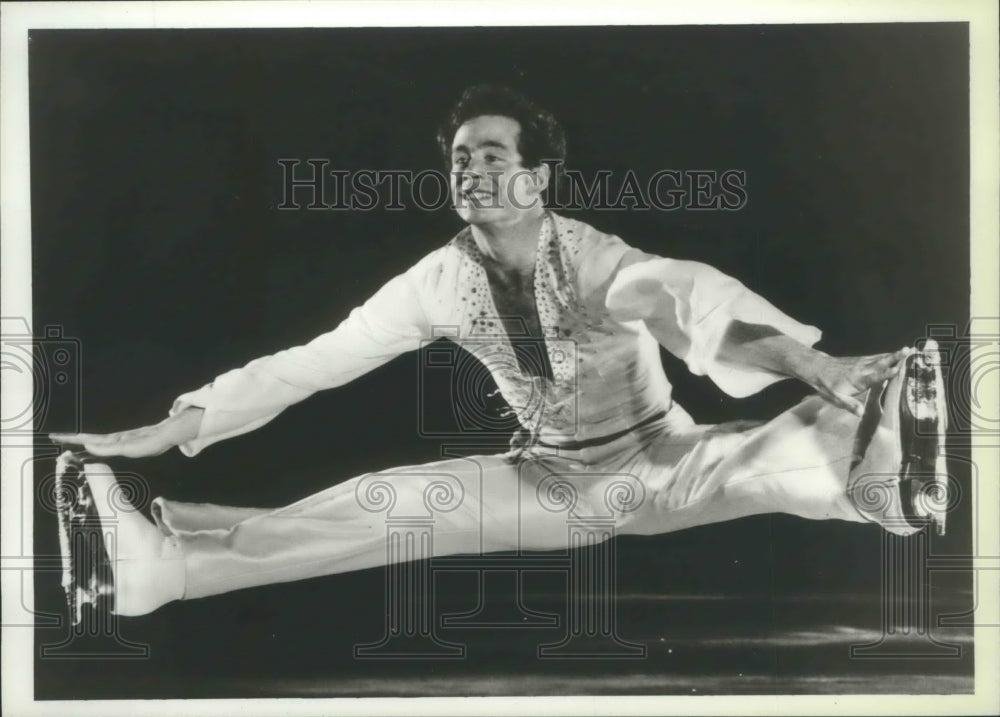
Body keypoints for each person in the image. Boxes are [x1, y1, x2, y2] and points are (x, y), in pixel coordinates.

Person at [50, 84, 948, 622]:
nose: (469, 171)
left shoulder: (595, 260)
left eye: (489, 154)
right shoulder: (440, 281)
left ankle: (879, 464)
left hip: (654, 458)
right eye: (457, 159)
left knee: (748, 459)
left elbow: (691, 298)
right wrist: (172, 426)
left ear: (537, 176)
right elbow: (315, 360)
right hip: (550, 480)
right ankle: (162, 562)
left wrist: (819, 365)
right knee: (388, 502)